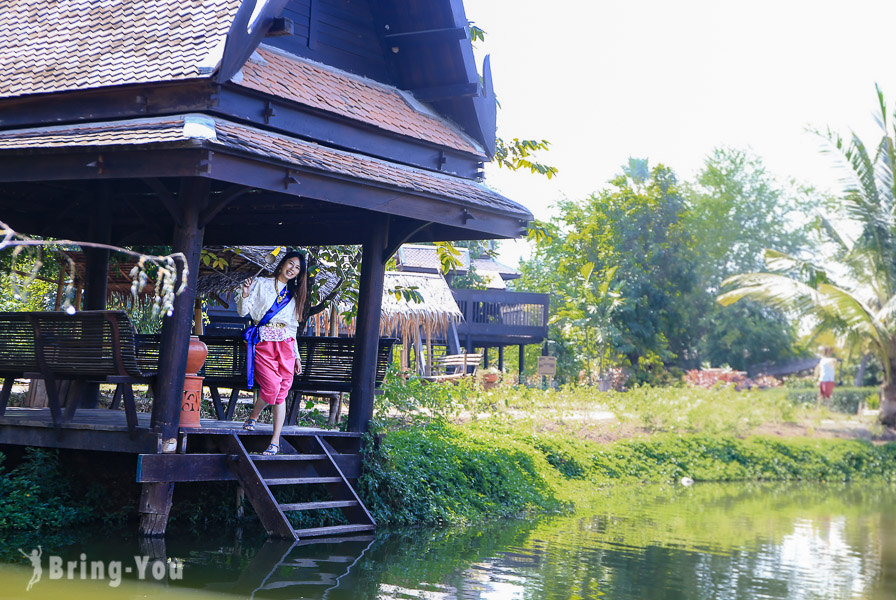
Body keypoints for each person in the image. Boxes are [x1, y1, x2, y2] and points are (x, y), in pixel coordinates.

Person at [237, 250, 308, 455]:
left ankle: (274, 442)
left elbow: (293, 328)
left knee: (281, 392)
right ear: (282, 263)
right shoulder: (260, 283)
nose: (292, 269)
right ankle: (254, 415)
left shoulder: (294, 296)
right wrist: (245, 293)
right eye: (291, 264)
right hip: (263, 341)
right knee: (272, 386)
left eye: (297, 268)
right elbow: (243, 312)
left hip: (285, 343)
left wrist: (297, 356)